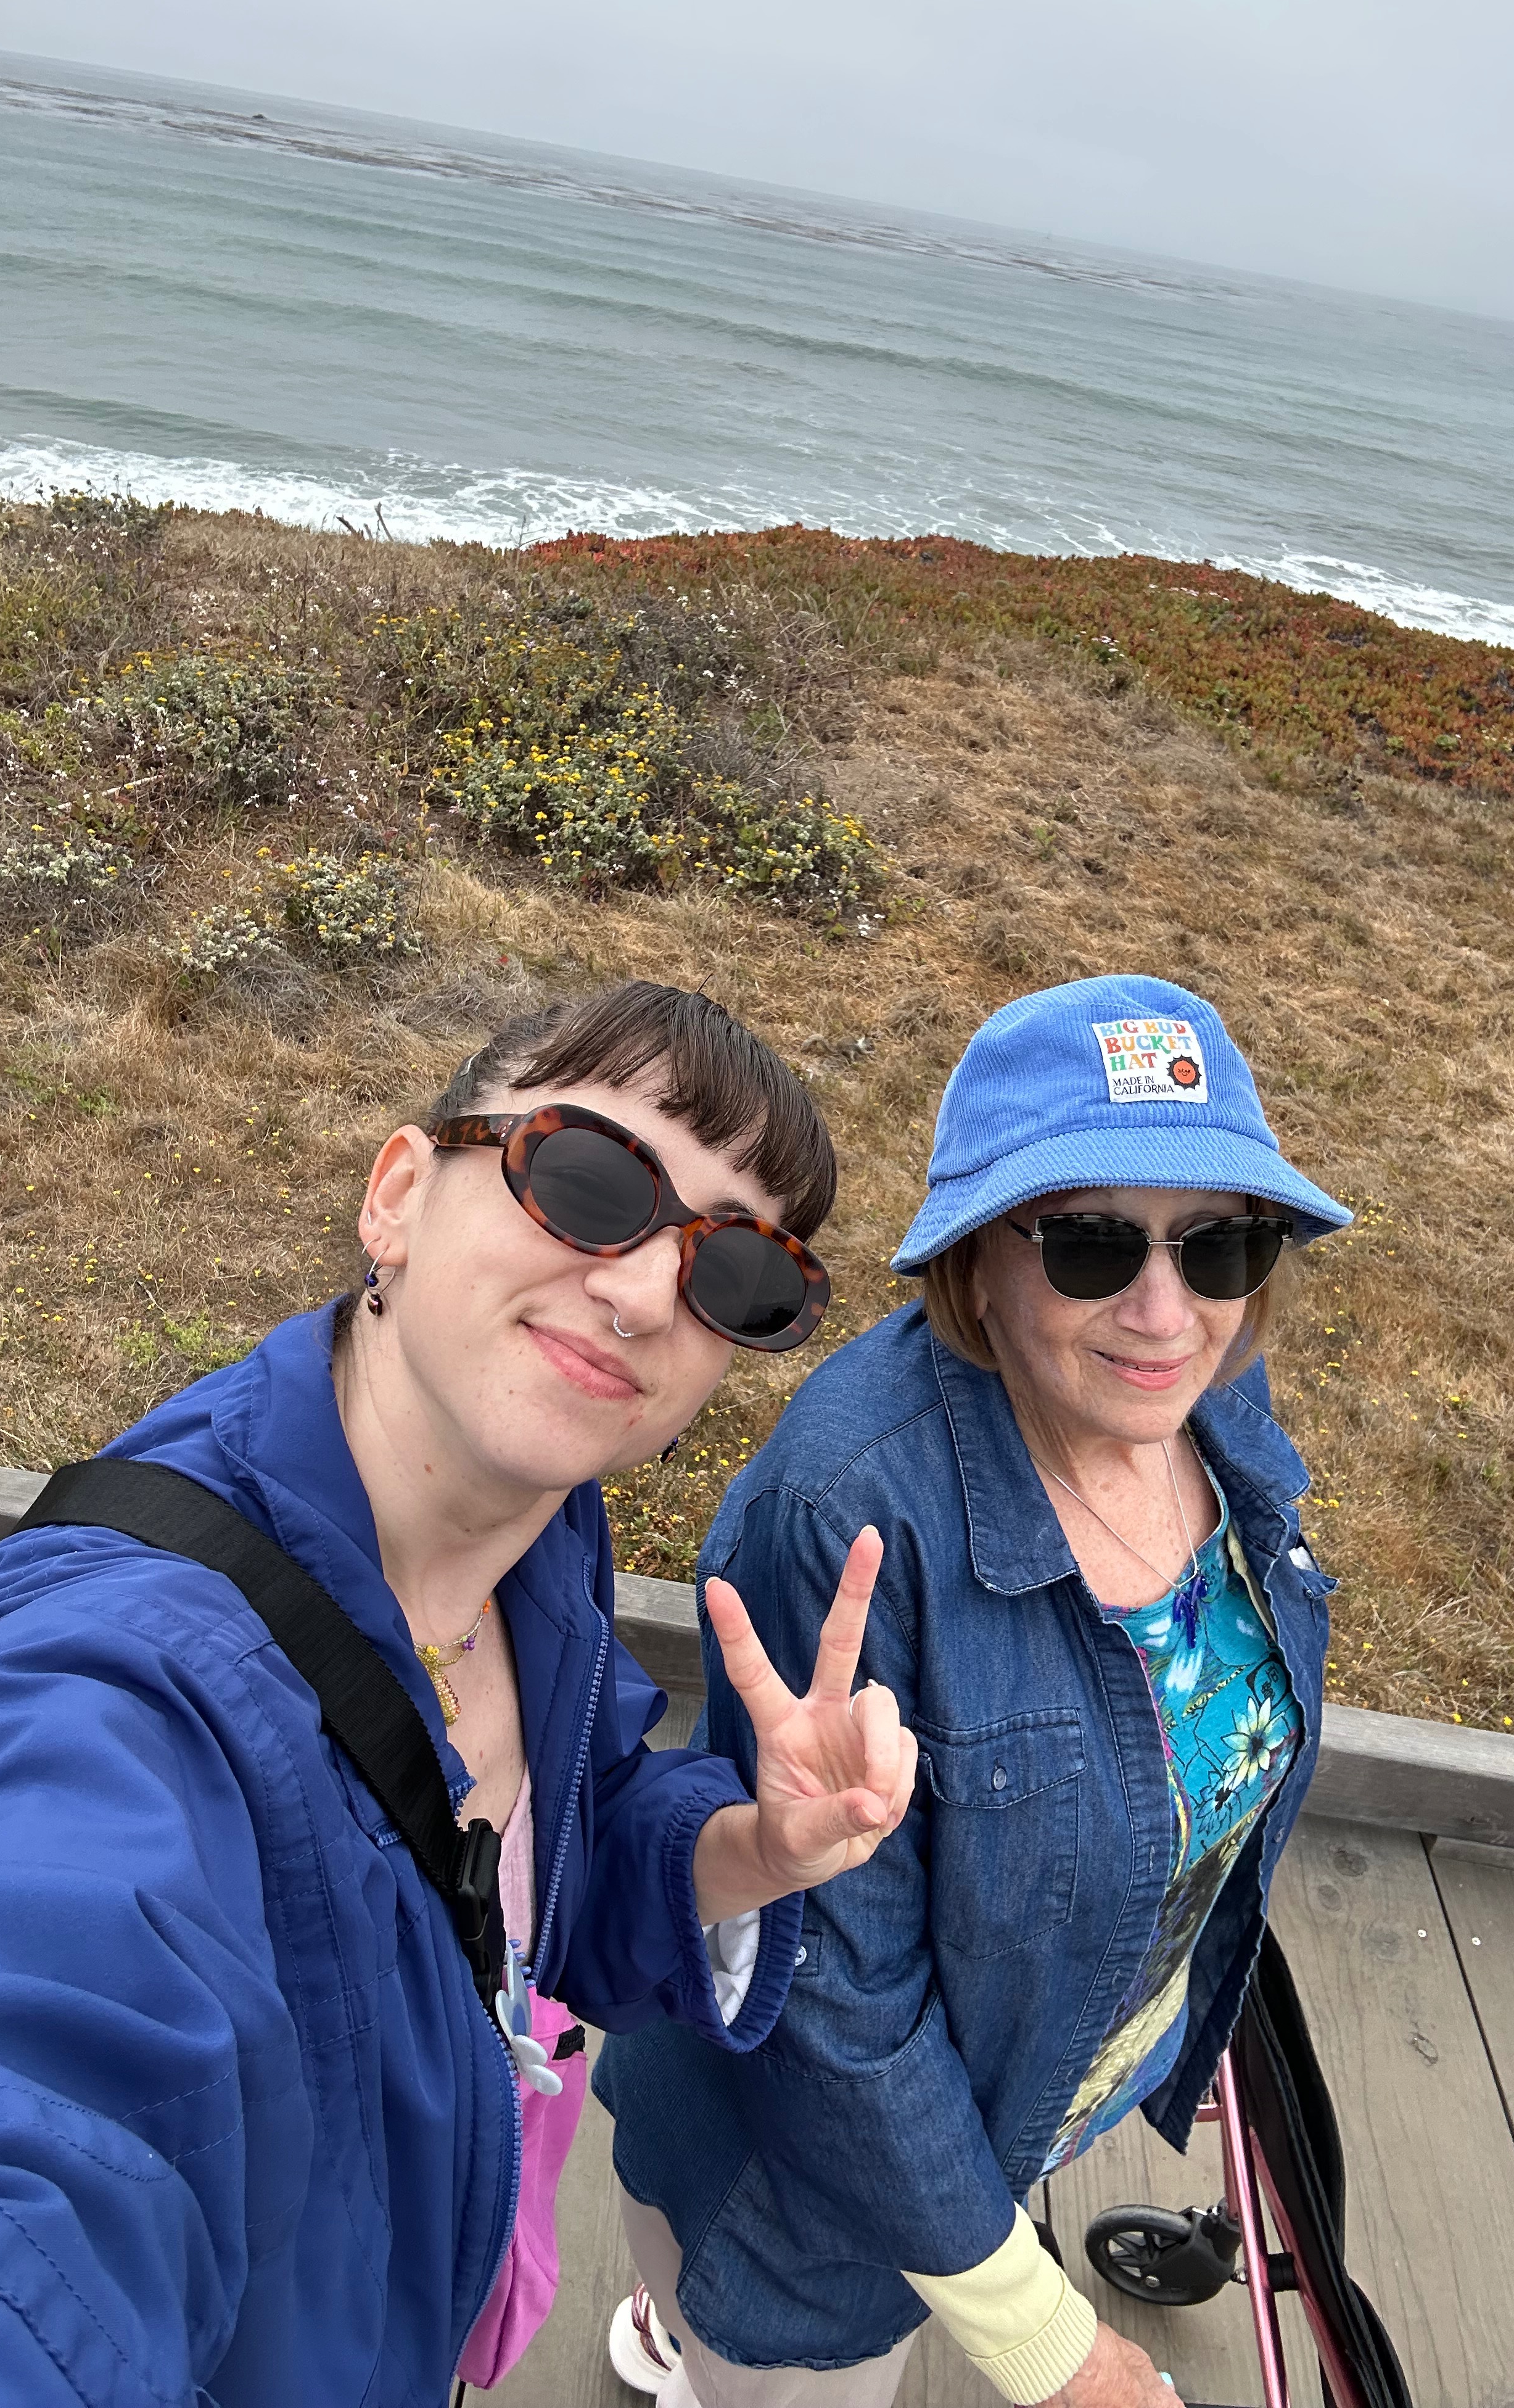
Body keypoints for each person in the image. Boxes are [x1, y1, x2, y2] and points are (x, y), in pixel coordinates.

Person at [0, 981, 917, 2408]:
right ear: (399, 1197)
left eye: (734, 1274)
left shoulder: (540, 1532)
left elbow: (552, 1860)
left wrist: (750, 1850)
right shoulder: (110, 1690)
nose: (639, 1296)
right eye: (588, 1183)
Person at [598, 975, 1351, 2408]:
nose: (1164, 1311)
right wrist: (1050, 2347)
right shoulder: (844, 1517)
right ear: (974, 1259)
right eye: (1089, 1243)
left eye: (1222, 1243)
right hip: (805, 2213)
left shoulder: (1199, 1395)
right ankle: (685, 2321)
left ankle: (665, 2320)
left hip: (1033, 2098)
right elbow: (831, 2003)